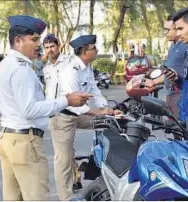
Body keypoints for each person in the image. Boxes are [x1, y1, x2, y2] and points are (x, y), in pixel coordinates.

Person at [0, 15, 91, 201]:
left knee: (13, 198)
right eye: (34, 39)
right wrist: (66, 100)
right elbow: (30, 110)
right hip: (24, 143)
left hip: (6, 138)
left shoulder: (3, 66)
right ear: (17, 40)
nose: (39, 45)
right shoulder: (21, 70)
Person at [52, 34, 120, 200]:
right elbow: (74, 101)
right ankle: (66, 198)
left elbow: (94, 91)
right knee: (63, 160)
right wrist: (98, 112)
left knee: (110, 122)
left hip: (82, 114)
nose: (96, 50)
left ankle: (99, 166)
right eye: (93, 48)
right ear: (83, 51)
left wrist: (107, 109)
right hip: (64, 117)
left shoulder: (87, 67)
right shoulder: (70, 70)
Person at [151, 14, 188, 121]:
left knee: (182, 131)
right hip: (171, 96)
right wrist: (153, 82)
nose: (166, 33)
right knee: (174, 132)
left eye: (168, 30)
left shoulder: (187, 46)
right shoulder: (173, 47)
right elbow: (168, 74)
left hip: (180, 96)